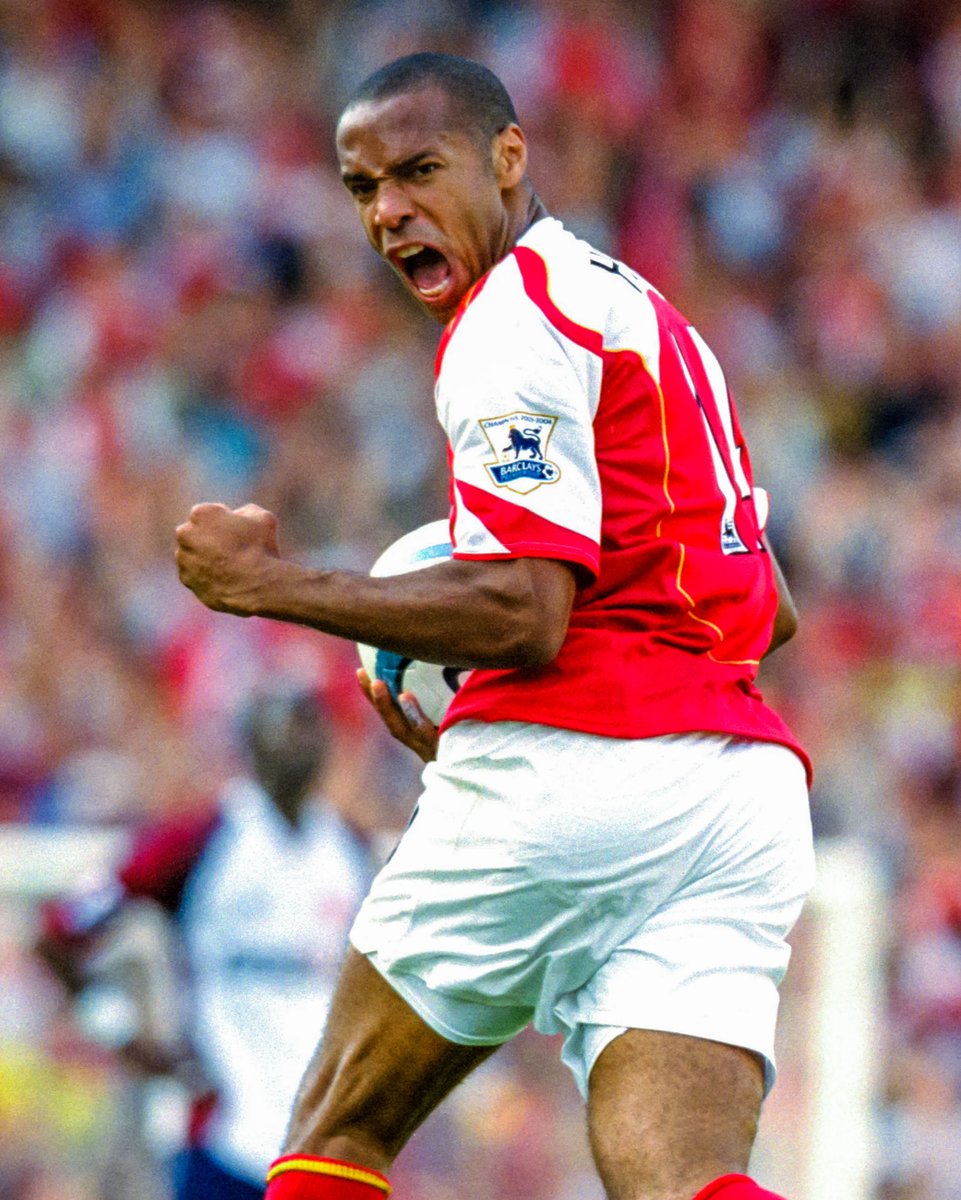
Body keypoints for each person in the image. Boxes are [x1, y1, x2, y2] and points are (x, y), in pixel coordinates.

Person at [174, 52, 815, 1200]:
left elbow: (523, 613)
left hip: (576, 756)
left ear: (508, 157)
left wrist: (269, 585)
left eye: (418, 171)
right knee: (681, 1175)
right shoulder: (645, 316)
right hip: (739, 799)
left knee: (336, 1128)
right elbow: (776, 611)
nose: (388, 211)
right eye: (362, 187)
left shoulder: (511, 321)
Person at [36, 689, 372, 1200]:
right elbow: (58, 932)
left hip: (328, 1137)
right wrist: (120, 1032)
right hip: (225, 1134)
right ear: (251, 744)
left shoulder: (348, 850)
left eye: (307, 728)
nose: (296, 745)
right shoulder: (205, 840)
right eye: (283, 729)